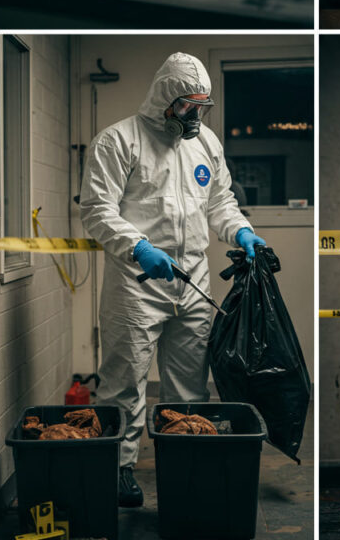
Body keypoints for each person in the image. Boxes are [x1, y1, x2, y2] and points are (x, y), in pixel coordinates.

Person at [79, 52, 265, 508]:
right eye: (187, 106)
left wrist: (241, 231)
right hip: (136, 281)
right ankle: (120, 468)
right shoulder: (118, 141)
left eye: (202, 107)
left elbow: (220, 202)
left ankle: (188, 465)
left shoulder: (206, 145)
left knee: (190, 386)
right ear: (166, 99)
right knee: (124, 380)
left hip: (193, 279)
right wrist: (139, 246)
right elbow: (97, 211)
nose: (195, 116)